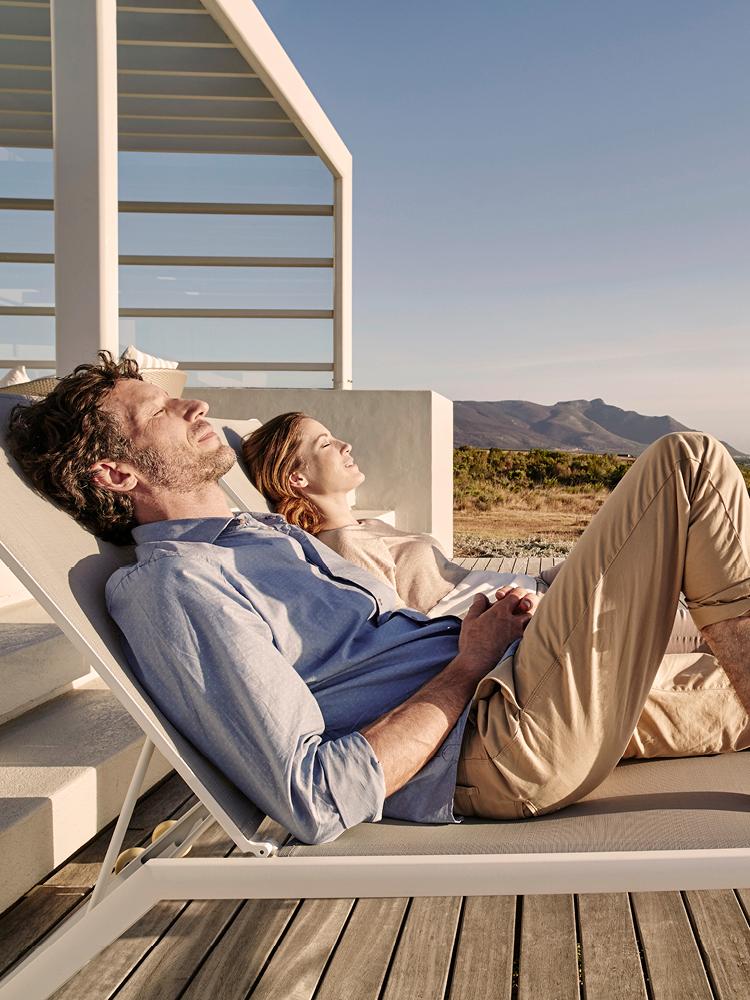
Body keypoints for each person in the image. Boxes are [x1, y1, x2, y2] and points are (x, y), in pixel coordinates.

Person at [7, 354, 750, 842]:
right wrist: (467, 665)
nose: (195, 405)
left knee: (727, 696)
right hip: (496, 737)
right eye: (162, 411)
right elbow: (313, 794)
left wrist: (482, 641)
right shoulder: (178, 585)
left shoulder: (258, 538)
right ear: (116, 475)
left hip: (513, 690)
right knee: (687, 465)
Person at [240, 412, 708, 664]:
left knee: (671, 534)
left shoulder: (362, 528)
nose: (344, 445)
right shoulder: (343, 548)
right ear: (297, 478)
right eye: (325, 443)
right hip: (537, 614)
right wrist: (516, 620)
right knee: (696, 616)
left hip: (541, 586)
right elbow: (405, 640)